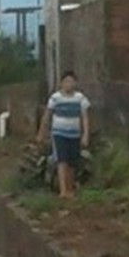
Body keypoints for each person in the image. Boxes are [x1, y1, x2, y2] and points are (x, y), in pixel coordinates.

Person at [37, 71, 91, 200]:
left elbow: (85, 118)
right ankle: (63, 190)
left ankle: (70, 188)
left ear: (75, 83)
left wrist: (85, 135)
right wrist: (41, 133)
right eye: (66, 81)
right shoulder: (55, 98)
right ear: (61, 83)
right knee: (62, 160)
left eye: (72, 81)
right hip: (59, 133)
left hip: (74, 134)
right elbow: (47, 116)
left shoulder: (80, 98)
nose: (69, 84)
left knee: (72, 162)